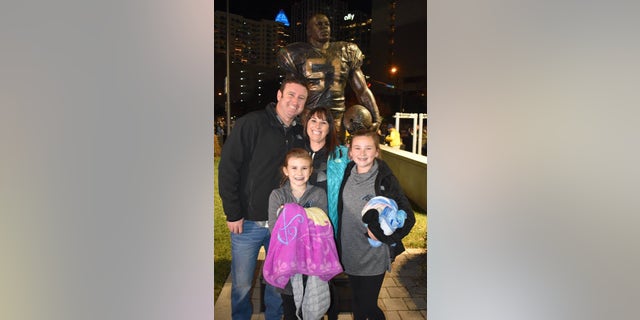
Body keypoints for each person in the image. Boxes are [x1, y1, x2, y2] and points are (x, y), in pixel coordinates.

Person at [218, 77, 308, 320]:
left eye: (301, 98)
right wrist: (233, 212)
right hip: (247, 222)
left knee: (278, 283)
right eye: (291, 94)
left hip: (283, 225)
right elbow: (228, 169)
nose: (295, 101)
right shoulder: (251, 123)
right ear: (279, 95)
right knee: (242, 286)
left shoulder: (300, 133)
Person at [336, 130, 416, 320]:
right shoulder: (347, 171)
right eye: (357, 148)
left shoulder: (384, 179)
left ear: (377, 152)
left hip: (374, 255)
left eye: (368, 148)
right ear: (350, 152)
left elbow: (409, 217)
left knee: (368, 306)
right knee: (356, 303)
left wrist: (385, 237)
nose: (362, 153)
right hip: (350, 251)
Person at [277, 13, 381, 142]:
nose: (324, 27)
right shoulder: (296, 53)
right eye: (319, 24)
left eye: (327, 24)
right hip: (309, 118)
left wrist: (376, 117)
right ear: (309, 31)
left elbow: (362, 90)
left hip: (337, 118)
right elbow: (290, 91)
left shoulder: (346, 51)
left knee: (335, 157)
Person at [264, 148, 337, 320]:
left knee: (313, 309)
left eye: (304, 168)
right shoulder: (277, 196)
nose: (299, 173)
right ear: (286, 170)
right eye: (294, 168)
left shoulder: (318, 194)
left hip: (311, 266)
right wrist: (305, 217)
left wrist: (290, 215)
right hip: (287, 264)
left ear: (310, 171)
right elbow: (275, 231)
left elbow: (321, 229)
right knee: (290, 310)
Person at [302, 106, 350, 319]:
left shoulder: (341, 155)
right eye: (313, 120)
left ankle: (331, 314)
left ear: (330, 127)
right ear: (306, 124)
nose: (317, 126)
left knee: (326, 278)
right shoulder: (296, 150)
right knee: (303, 278)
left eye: (323, 122)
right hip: (301, 228)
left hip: (327, 227)